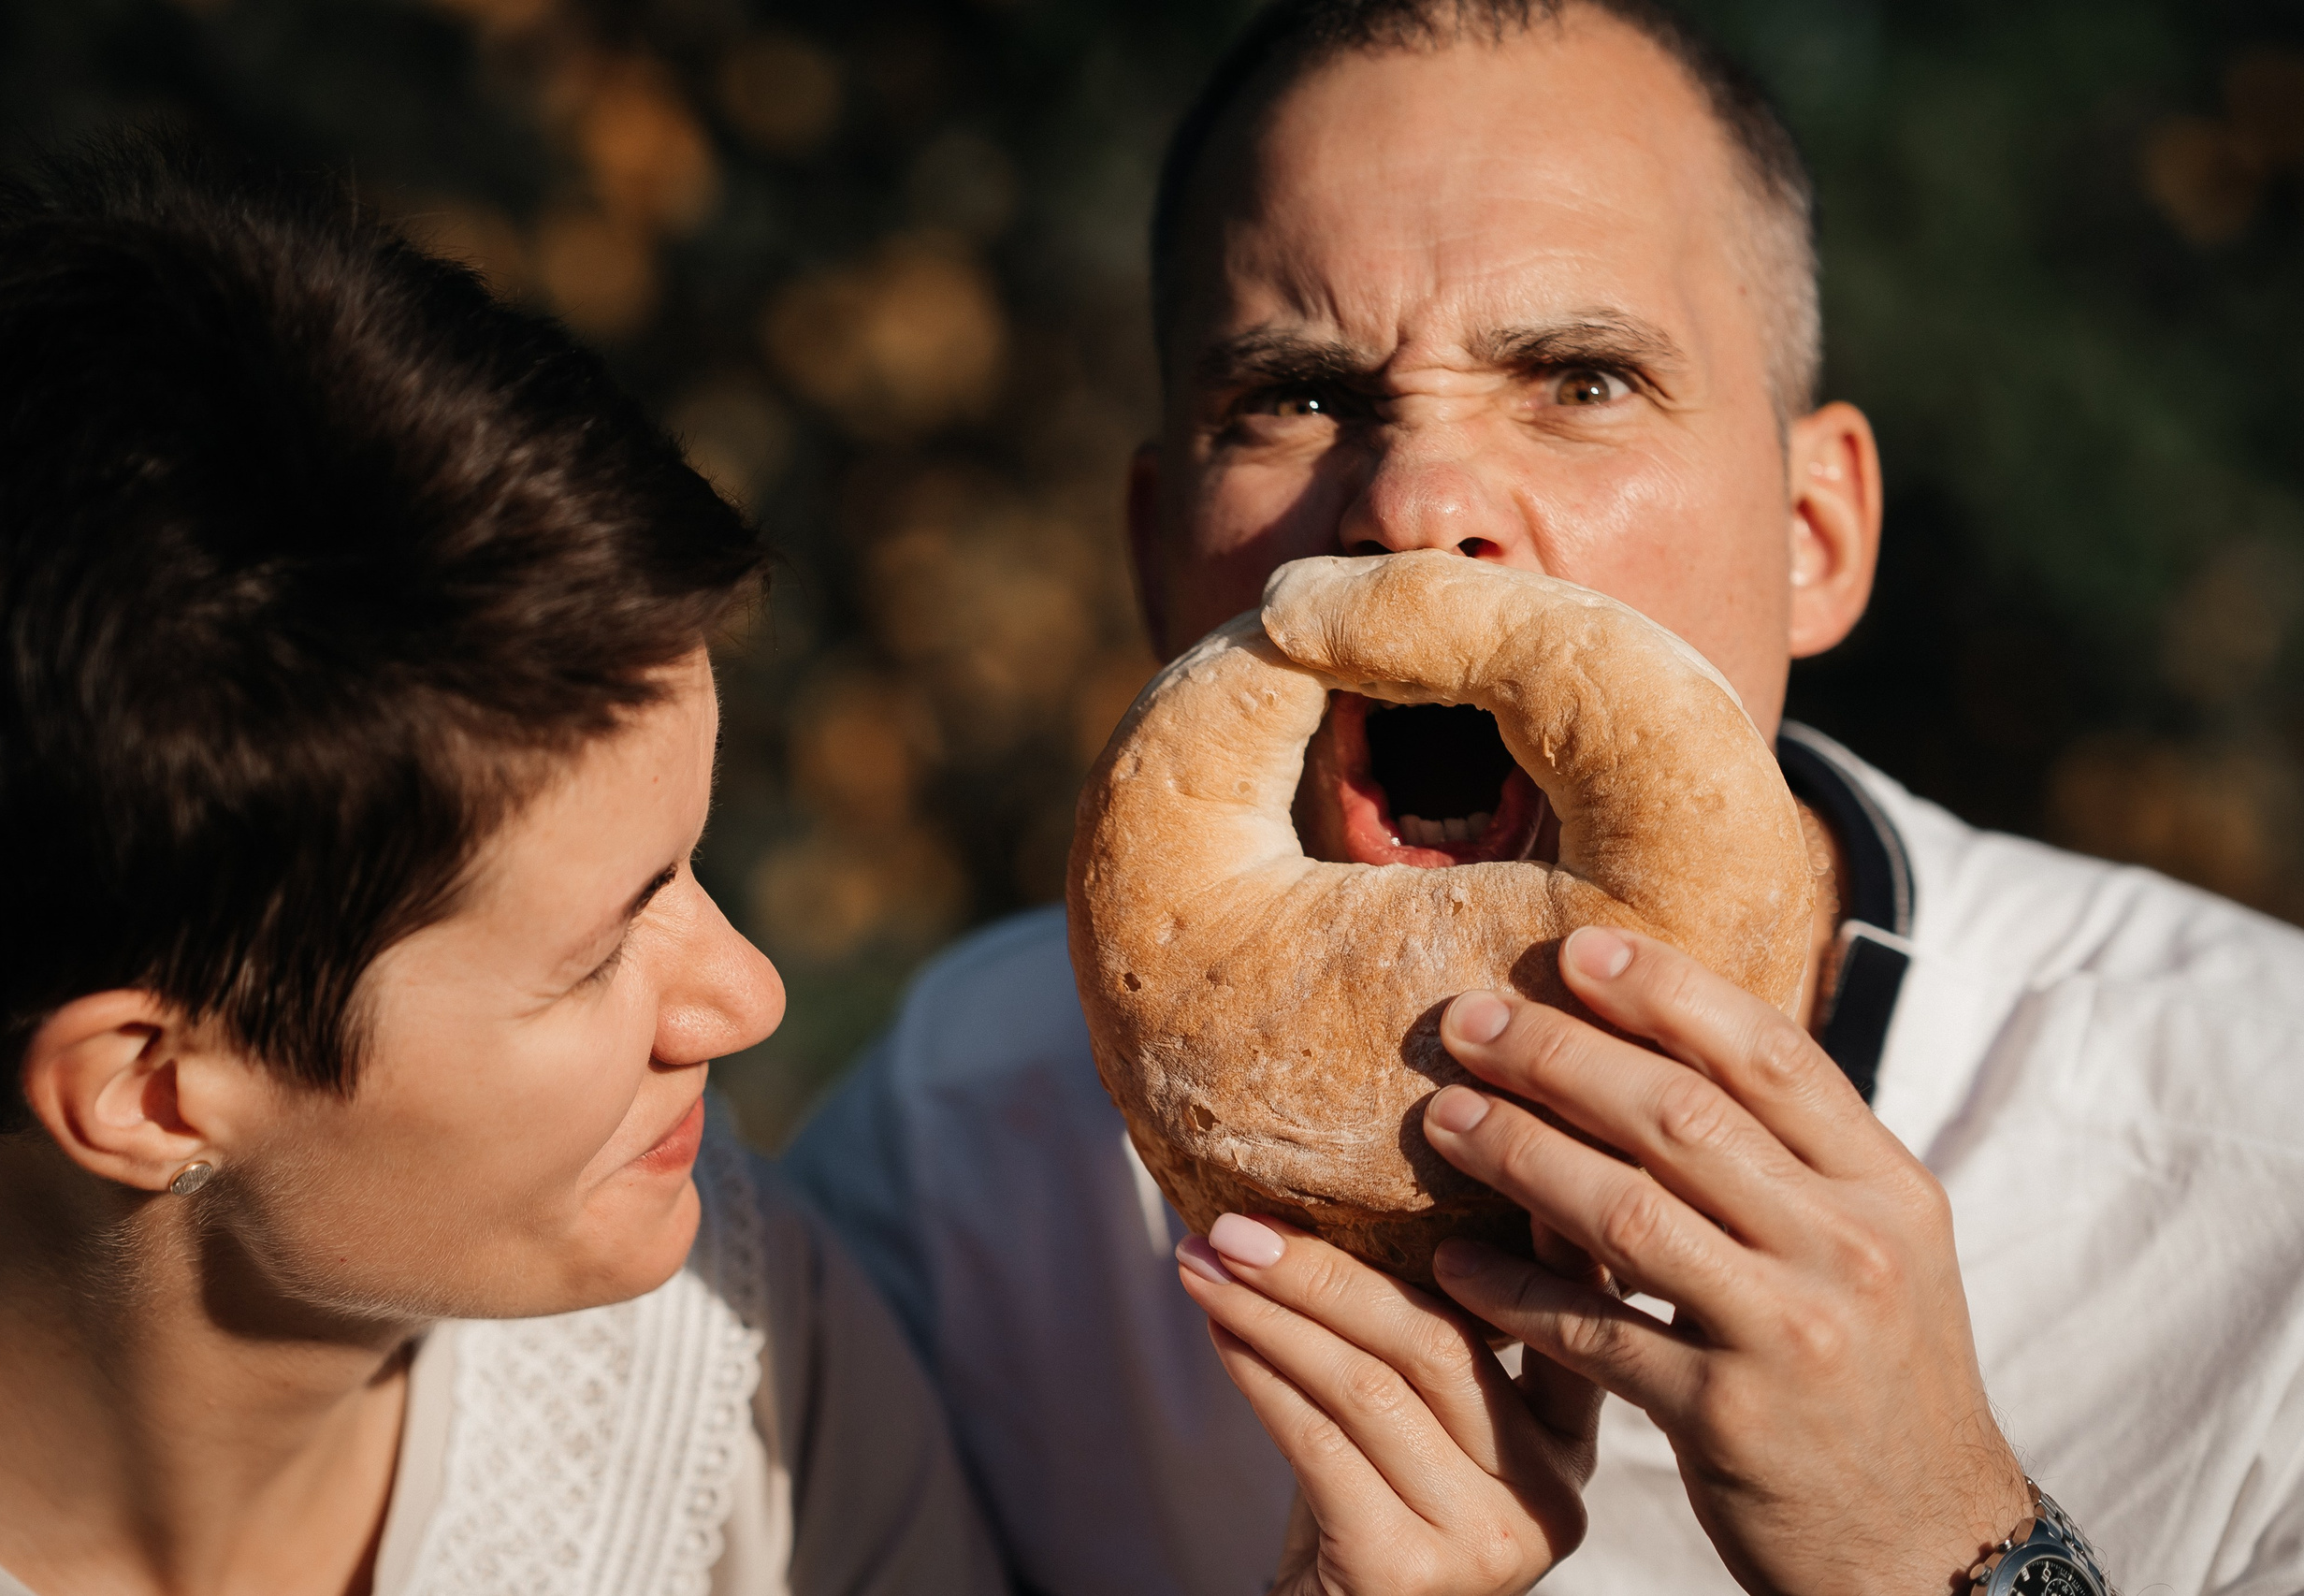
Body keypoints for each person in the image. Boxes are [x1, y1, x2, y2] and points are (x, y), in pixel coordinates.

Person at [785, 2, 2304, 1593]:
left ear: (1816, 532)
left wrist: (1951, 1552)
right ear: (1161, 558)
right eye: (1298, 395)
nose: (1415, 502)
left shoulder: (2248, 1189)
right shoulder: (958, 1163)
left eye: (1583, 379)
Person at [0, 140, 1018, 1596]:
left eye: (688, 866)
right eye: (598, 952)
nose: (744, 997)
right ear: (152, 1088)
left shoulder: (732, 1355)